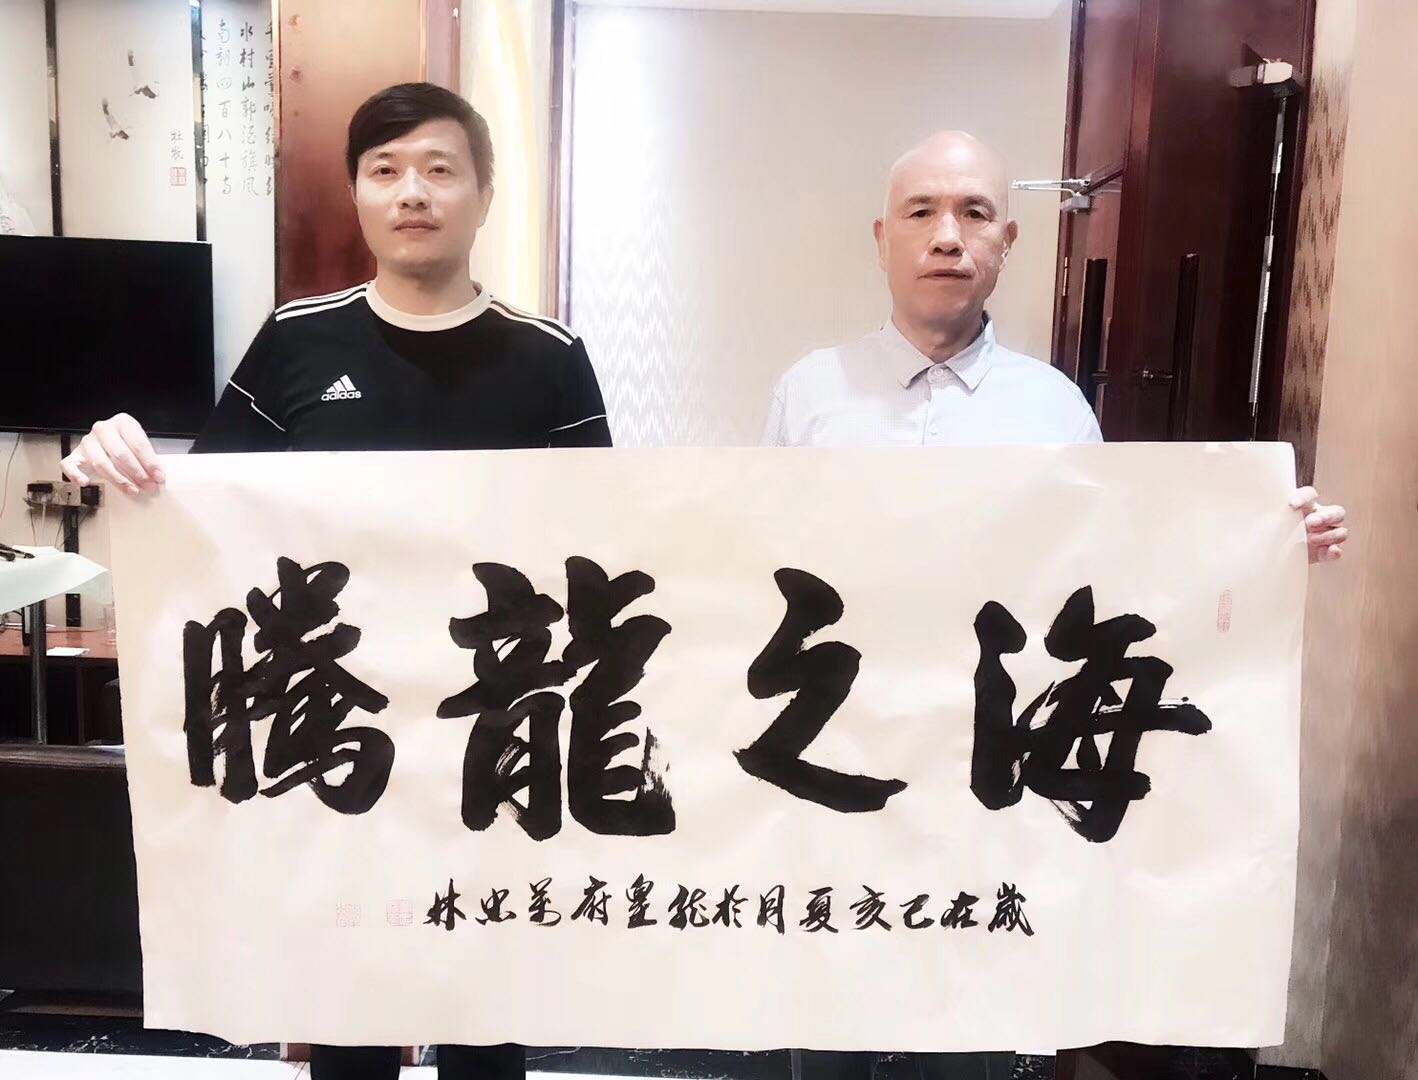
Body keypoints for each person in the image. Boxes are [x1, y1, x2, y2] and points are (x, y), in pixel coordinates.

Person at [764, 130, 1347, 1080]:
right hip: (839, 757)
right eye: (921, 212)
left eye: (974, 213)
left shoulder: (1055, 410)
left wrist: (1265, 545)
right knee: (828, 1032)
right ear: (881, 236)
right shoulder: (809, 393)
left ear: (1009, 241)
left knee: (972, 1040)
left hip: (989, 772)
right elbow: (753, 568)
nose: (946, 235)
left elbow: (1115, 577)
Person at [62, 82, 607, 1080]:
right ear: (357, 194)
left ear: (484, 194)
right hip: (340, 729)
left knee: (488, 1016)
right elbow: (204, 513)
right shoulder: (297, 340)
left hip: (491, 727)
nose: (412, 192)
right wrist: (116, 461)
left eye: (439, 170)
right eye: (385, 170)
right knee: (351, 1010)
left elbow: (599, 548)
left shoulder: (549, 358)